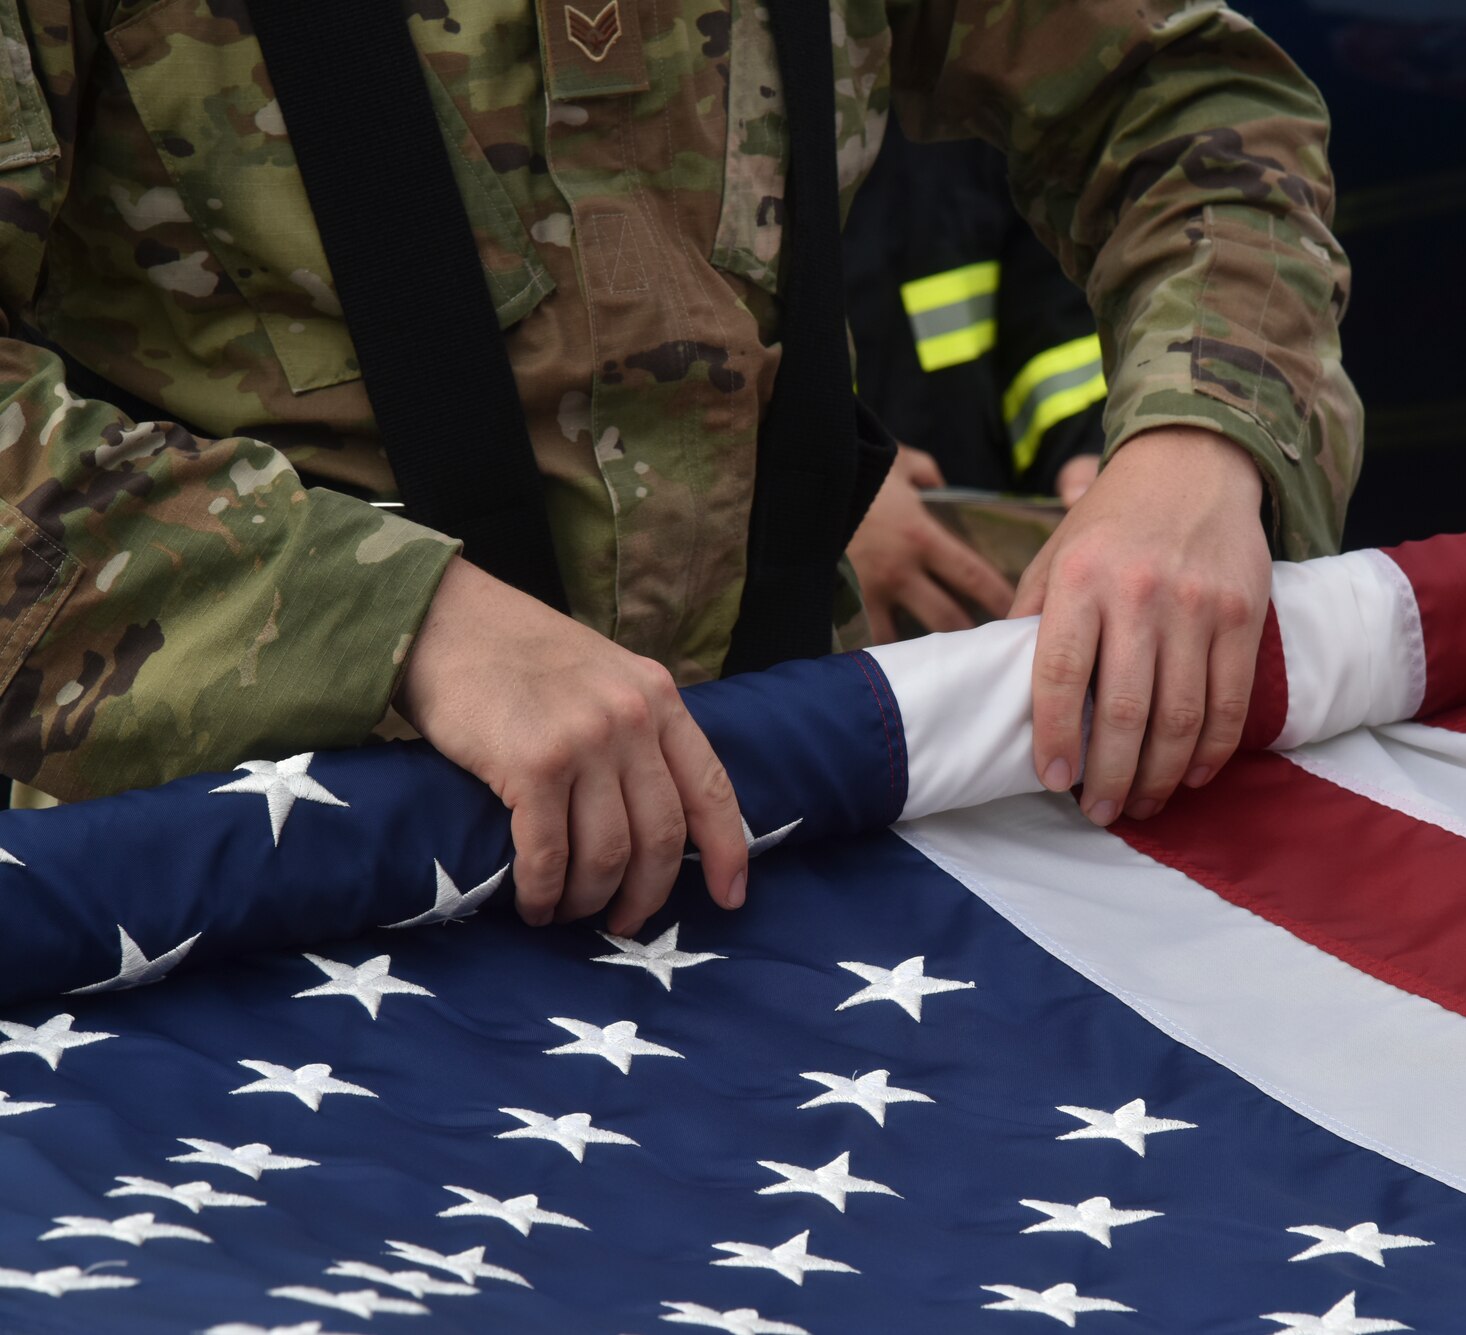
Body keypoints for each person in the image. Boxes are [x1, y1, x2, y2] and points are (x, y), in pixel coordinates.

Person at [0, 0, 1360, 935]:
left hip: (785, 862)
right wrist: (391, 620)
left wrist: (1200, 444)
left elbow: (1182, 100)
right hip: (237, 916)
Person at [844, 114, 1105, 643]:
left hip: (993, 584)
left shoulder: (967, 87)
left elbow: (1048, 304)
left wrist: (1092, 449)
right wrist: (826, 490)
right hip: (782, 633)